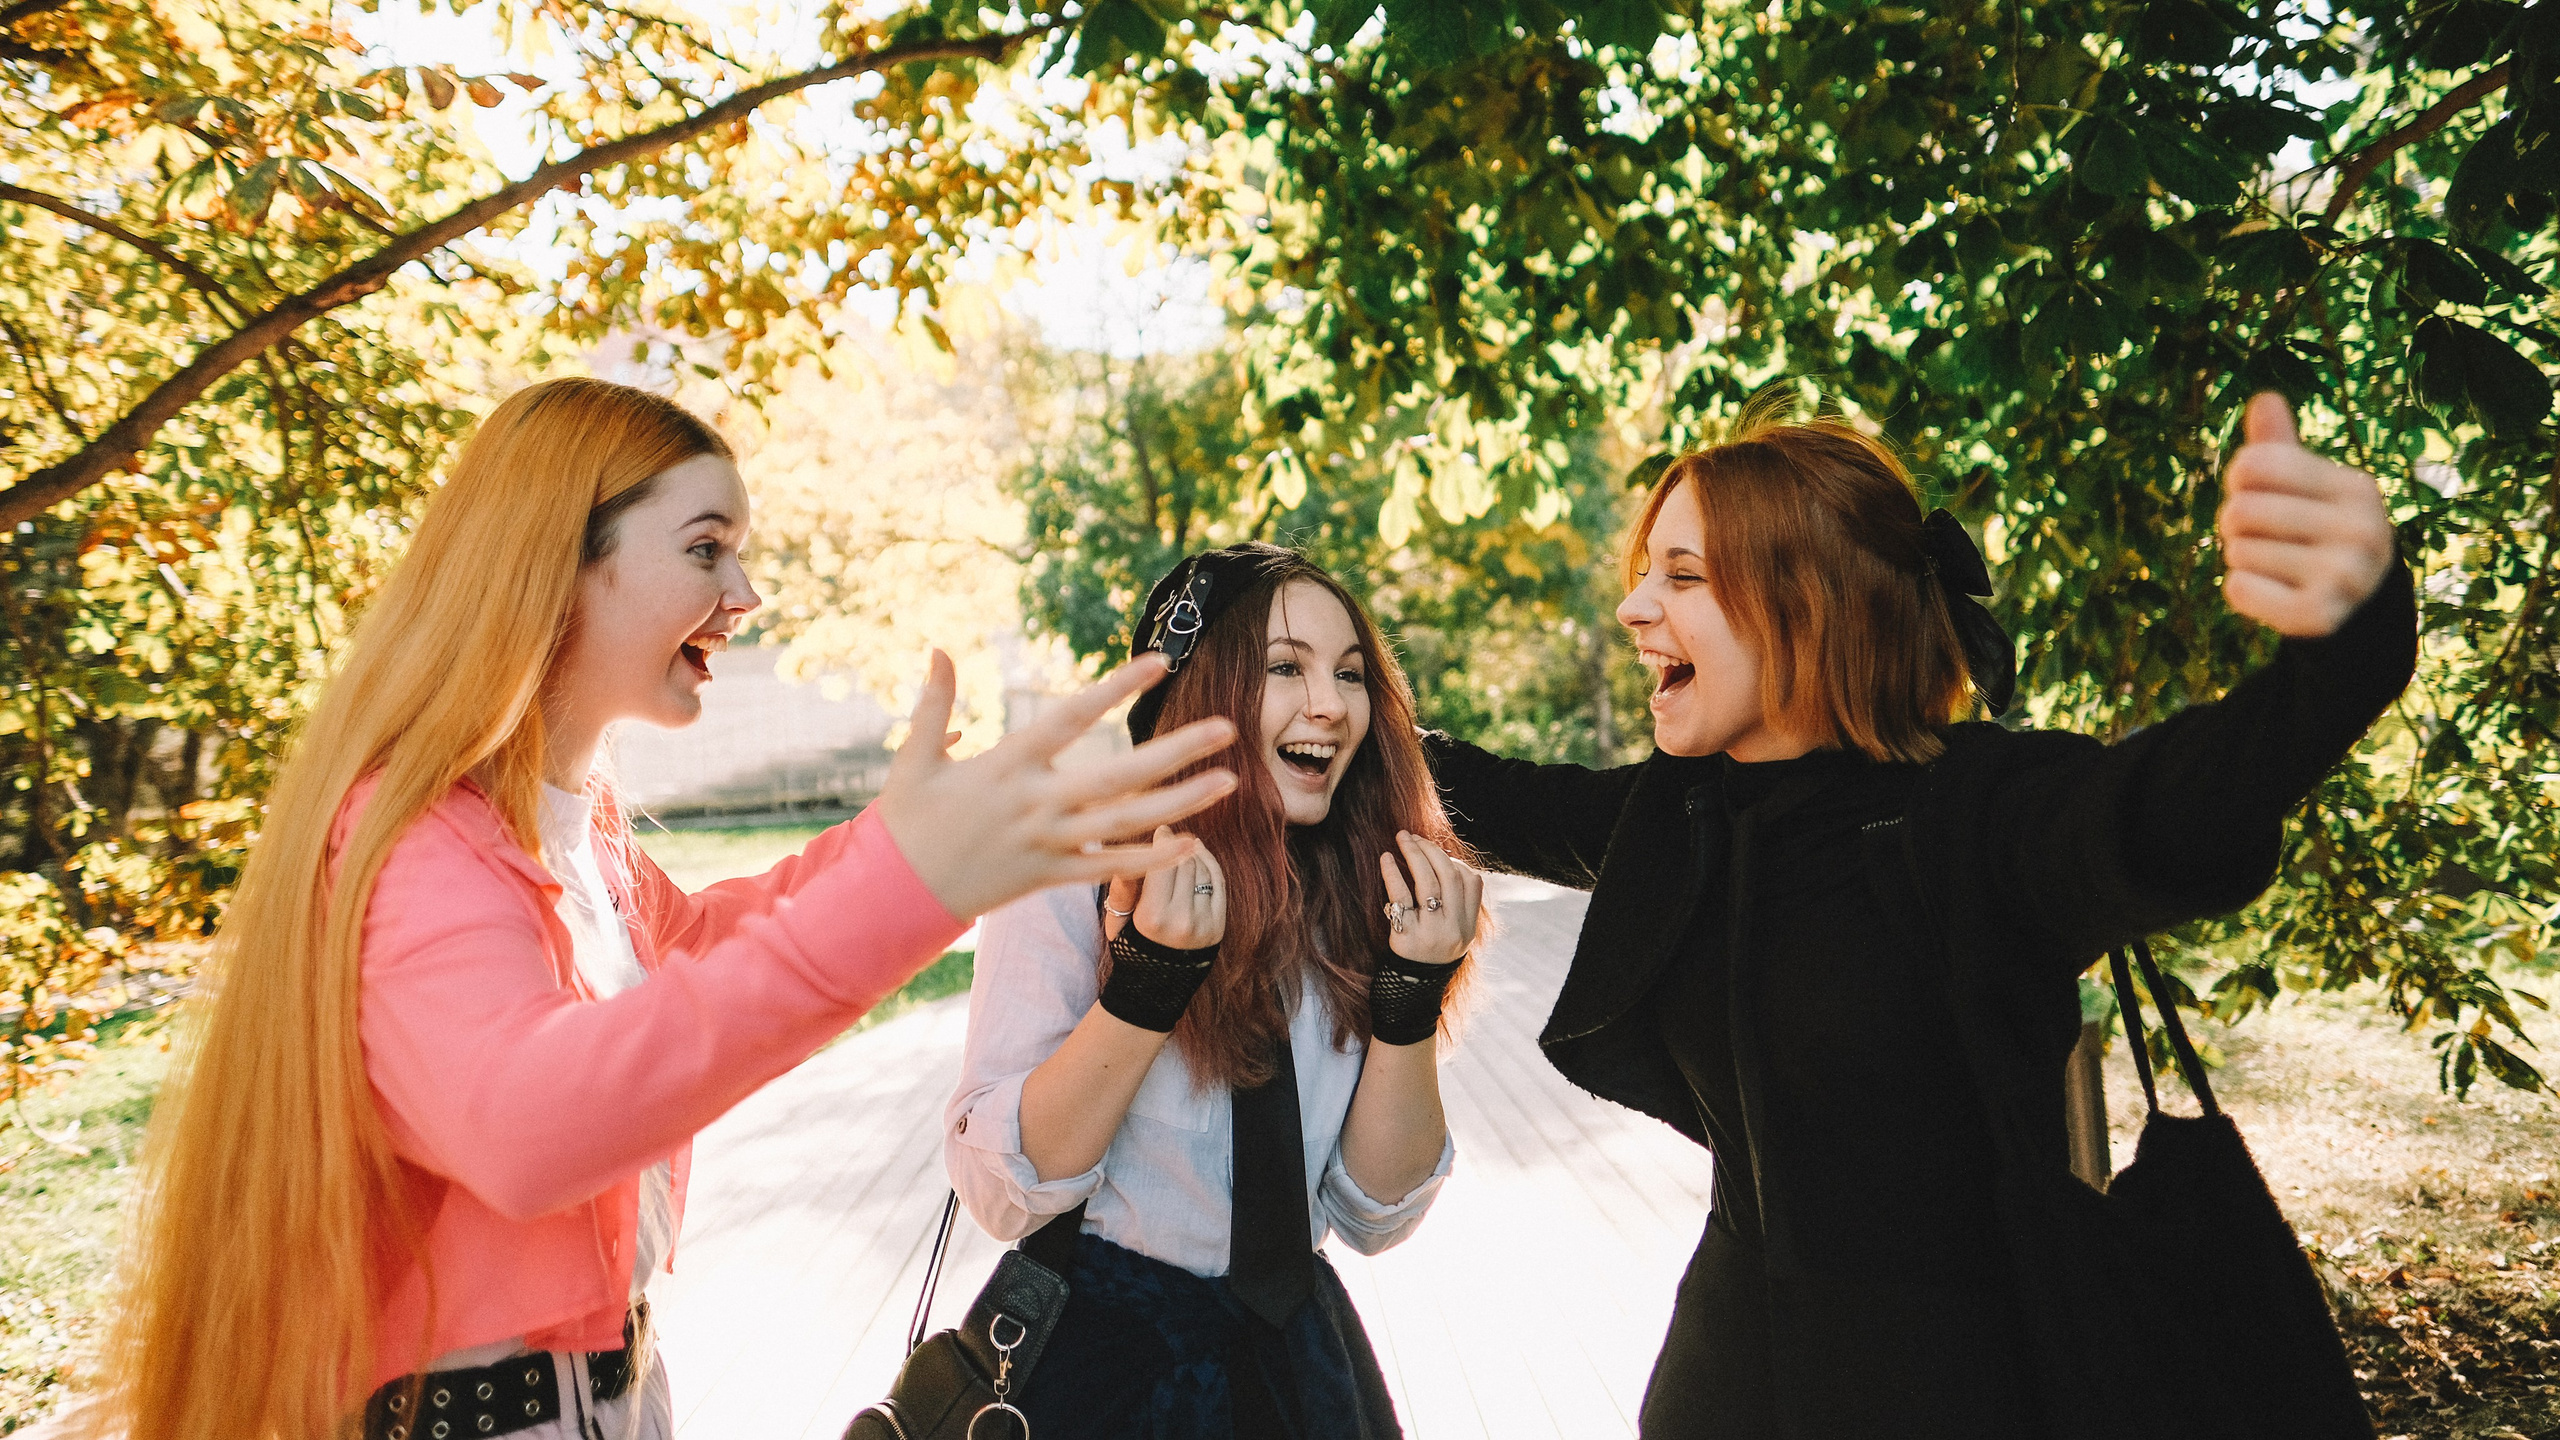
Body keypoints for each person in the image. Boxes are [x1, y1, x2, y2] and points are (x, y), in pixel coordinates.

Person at [93, 377, 1241, 1440]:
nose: (742, 596)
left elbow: (705, 948)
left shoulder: (570, 830)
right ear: (559, 561)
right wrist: (915, 877)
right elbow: (529, 1126)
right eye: (706, 551)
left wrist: (907, 841)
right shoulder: (411, 839)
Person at [1422, 392, 2413, 1438]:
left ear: (1808, 602)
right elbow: (1476, 794)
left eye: (1682, 576)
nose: (1631, 608)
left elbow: (2174, 804)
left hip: (1957, 1389)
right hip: (1722, 1383)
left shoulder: (1978, 813)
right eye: (1644, 574)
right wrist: (1309, 706)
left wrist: (2347, 646)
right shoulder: (1682, 814)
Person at [945, 543, 1484, 1440]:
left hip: (1301, 1373)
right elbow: (1005, 1193)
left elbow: (1373, 1213)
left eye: (1352, 676)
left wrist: (1409, 1003)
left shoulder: (1363, 885)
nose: (1330, 704)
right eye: (1285, 667)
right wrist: (1146, 990)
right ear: (1195, 701)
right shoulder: (1074, 872)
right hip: (1102, 1374)